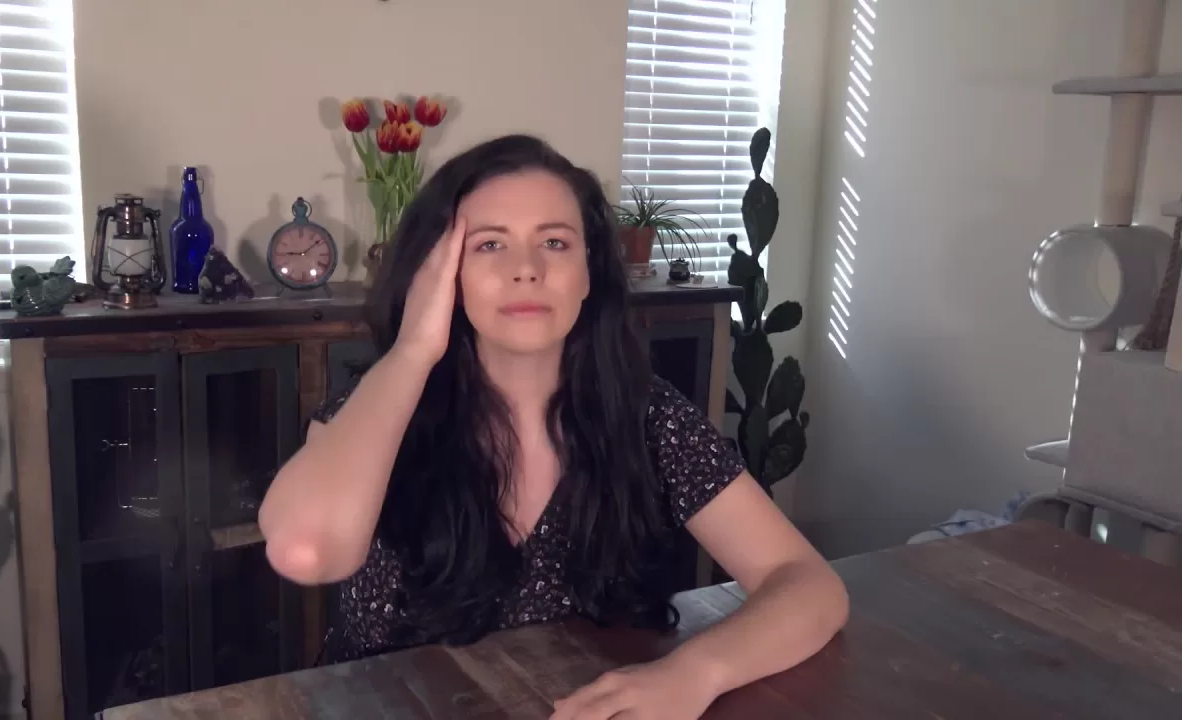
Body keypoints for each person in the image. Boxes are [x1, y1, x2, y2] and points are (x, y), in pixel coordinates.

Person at [259, 134, 848, 719]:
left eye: (555, 243)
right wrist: (414, 350)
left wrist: (695, 673)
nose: (527, 271)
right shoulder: (372, 412)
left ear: (589, 272)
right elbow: (306, 552)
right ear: (440, 274)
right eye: (490, 245)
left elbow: (807, 584)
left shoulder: (648, 415)